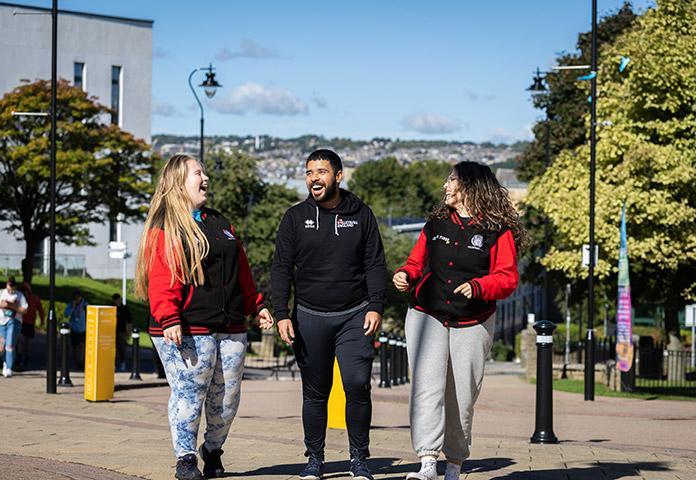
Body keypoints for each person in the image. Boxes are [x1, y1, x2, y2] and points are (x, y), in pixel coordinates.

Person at [134, 154, 274, 480]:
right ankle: (185, 458)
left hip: (230, 326)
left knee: (227, 399)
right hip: (186, 327)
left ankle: (212, 450)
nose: (205, 178)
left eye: (205, 172)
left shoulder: (220, 222)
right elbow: (160, 277)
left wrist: (257, 305)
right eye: (199, 173)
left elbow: (241, 270)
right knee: (189, 394)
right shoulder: (165, 227)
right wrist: (169, 318)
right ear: (178, 182)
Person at [392, 161, 524, 480]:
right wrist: (405, 275)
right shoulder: (436, 223)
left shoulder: (497, 230)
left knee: (461, 395)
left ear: (470, 186)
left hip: (473, 319)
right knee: (426, 387)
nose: (445, 187)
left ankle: (454, 463)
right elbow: (416, 262)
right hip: (427, 314)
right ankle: (427, 461)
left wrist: (480, 286)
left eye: (451, 180)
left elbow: (507, 278)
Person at [271, 149, 387, 480]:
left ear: (338, 176)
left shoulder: (361, 214)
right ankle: (315, 458)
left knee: (357, 383)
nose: (314, 178)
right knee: (315, 391)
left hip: (355, 314)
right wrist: (282, 313)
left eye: (321, 171)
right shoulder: (295, 217)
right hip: (309, 316)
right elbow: (281, 267)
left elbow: (375, 263)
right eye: (309, 172)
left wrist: (376, 305)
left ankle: (359, 458)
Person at [0, 276, 28, 377]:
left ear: (15, 287)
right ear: (6, 285)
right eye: (9, 287)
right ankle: (5, 361)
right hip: (0, 322)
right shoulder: (0, 293)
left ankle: (9, 368)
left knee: (10, 345)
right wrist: (1, 306)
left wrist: (11, 306)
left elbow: (25, 310)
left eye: (12, 288)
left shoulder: (20, 296)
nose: (10, 290)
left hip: (14, 323)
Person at [17, 281, 44, 370]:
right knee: (21, 340)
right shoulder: (20, 298)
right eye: (23, 290)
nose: (25, 292)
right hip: (21, 322)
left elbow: (40, 309)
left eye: (26, 290)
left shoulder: (34, 298)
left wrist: (42, 320)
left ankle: (26, 357)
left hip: (30, 323)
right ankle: (20, 357)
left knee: (28, 342)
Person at [65, 289, 88, 368]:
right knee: (75, 346)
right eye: (75, 298)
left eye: (78, 298)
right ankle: (76, 361)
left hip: (83, 328)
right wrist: (73, 307)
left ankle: (82, 360)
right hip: (74, 328)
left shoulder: (85, 305)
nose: (77, 300)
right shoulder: (71, 305)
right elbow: (66, 314)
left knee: (82, 345)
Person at [112, 293, 132, 371]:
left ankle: (122, 362)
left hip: (122, 331)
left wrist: (129, 332)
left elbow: (129, 321)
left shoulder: (124, 308)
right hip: (112, 331)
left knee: (122, 348)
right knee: (113, 349)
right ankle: (113, 364)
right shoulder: (111, 307)